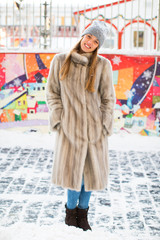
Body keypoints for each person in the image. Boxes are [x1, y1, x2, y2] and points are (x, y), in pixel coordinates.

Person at [46, 20, 116, 231]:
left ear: (98, 46)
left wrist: (104, 123)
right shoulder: (60, 61)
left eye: (96, 41)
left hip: (95, 131)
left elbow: (108, 98)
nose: (90, 43)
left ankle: (83, 215)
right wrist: (59, 119)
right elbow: (52, 93)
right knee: (73, 174)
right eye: (89, 37)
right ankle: (70, 214)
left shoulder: (103, 65)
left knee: (90, 175)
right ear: (82, 35)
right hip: (70, 130)